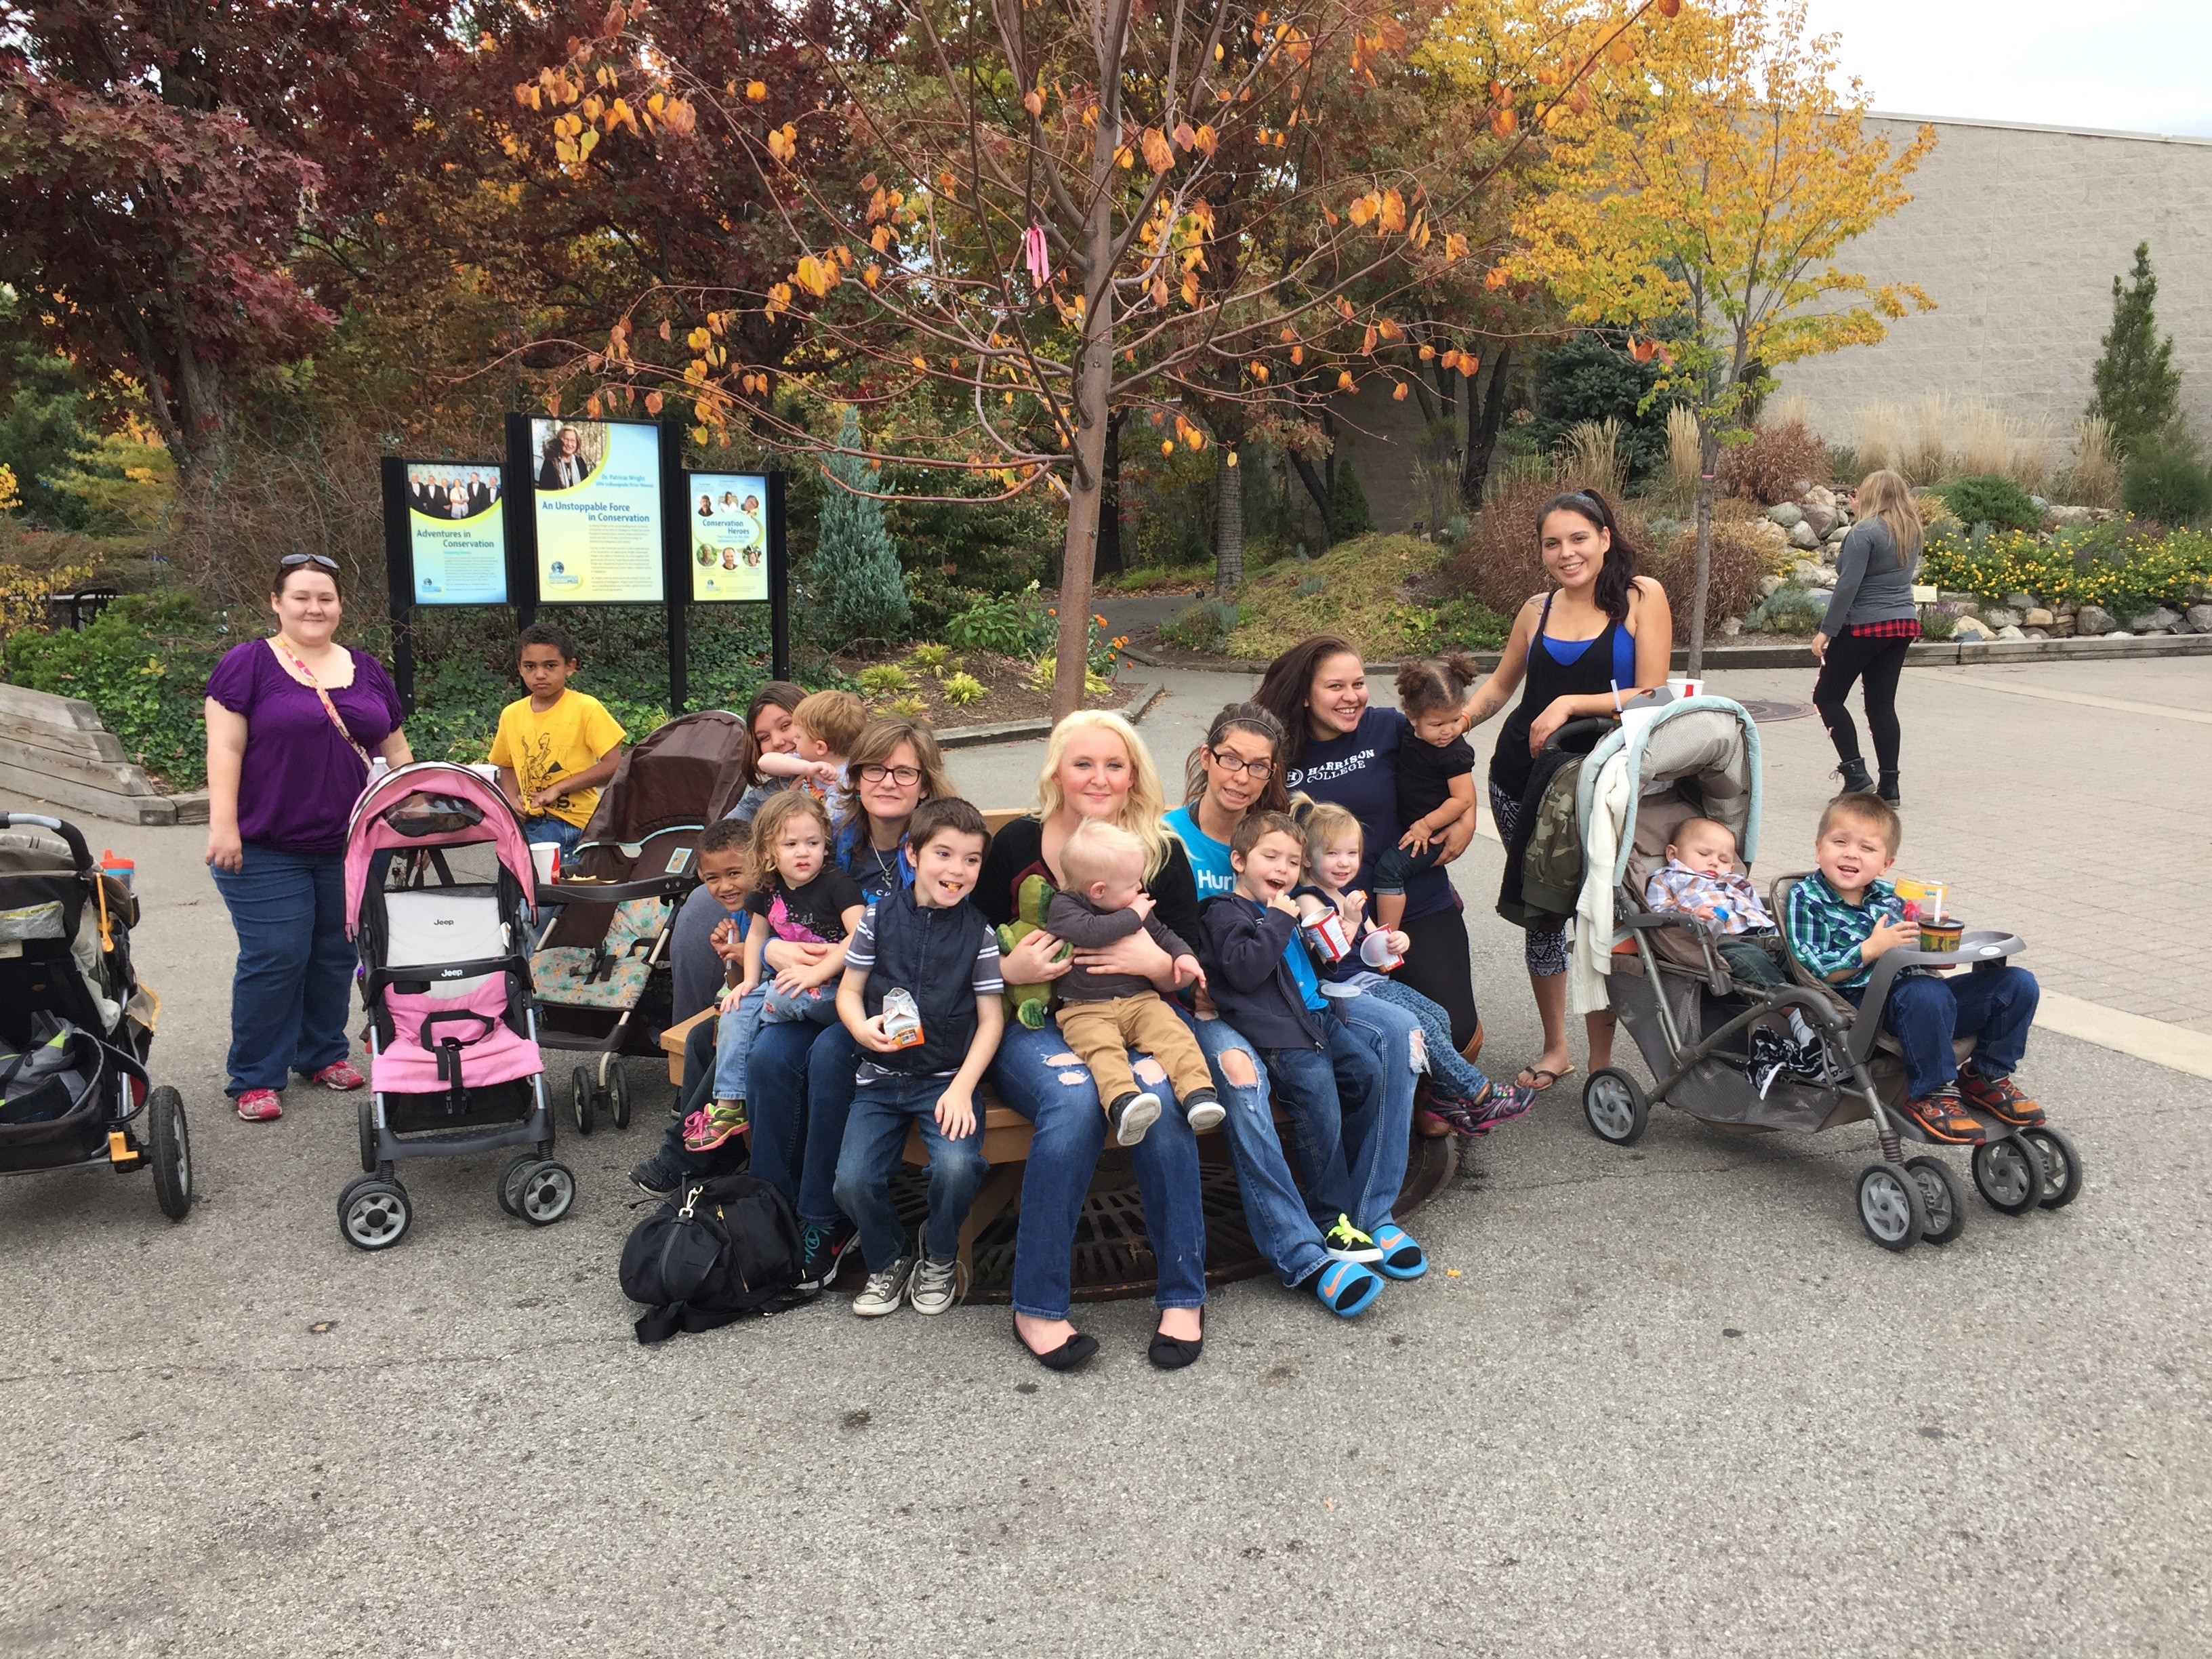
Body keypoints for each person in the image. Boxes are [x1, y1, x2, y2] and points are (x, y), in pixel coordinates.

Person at [976, 712, 1223, 1370]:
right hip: (1034, 1023)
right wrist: (1008, 970)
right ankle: (1037, 1304)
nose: (1098, 777)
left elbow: (1187, 955)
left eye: (1115, 764)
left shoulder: (1158, 851)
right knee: (1075, 1101)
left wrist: (1151, 962)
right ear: (1057, 770)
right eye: (1083, 763)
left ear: (1134, 774)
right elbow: (960, 941)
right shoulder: (1018, 845)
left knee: (1163, 1099)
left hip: (1134, 1011)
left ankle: (1182, 1293)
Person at [1160, 701, 1399, 1308]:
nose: (1241, 776)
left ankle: (1370, 1213)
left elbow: (1325, 898)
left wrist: (1350, 922)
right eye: (1230, 760)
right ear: (1206, 758)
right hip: (1216, 1004)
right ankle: (1303, 1247)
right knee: (1245, 1079)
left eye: (1258, 767)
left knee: (1396, 1038)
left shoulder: (1278, 835)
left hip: (1303, 995)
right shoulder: (1170, 839)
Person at [1462, 489, 1673, 1091]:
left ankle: (1604, 1063)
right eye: (1552, 543)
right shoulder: (1536, 610)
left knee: (1602, 916)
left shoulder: (1641, 597)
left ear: (1606, 537)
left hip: (1605, 789)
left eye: (1579, 538)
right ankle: (1557, 1048)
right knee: (1545, 913)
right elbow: (1500, 689)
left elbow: (1655, 694)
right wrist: (1453, 724)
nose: (1567, 553)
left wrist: (1571, 703)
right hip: (1521, 785)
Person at [203, 554, 411, 1122]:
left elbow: (395, 751)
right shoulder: (248, 665)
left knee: (335, 953)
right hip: (265, 842)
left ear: (340, 606)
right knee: (276, 955)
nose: (314, 607)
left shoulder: (366, 670)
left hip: (349, 843)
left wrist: (406, 811)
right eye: (301, 597)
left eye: (325, 597)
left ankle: (320, 1053)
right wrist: (224, 825)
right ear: (276, 603)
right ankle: (255, 1076)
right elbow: (225, 747)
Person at [1195, 813, 1424, 1291]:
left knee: (1367, 1073)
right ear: (1238, 860)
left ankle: (1360, 1204)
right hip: (1277, 1035)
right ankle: (1330, 1217)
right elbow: (1245, 971)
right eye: (1270, 857)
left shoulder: (1284, 911)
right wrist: (1279, 917)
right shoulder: (1224, 911)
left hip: (1315, 1020)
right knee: (1318, 1100)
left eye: (1294, 862)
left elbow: (1329, 957)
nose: (1283, 868)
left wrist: (1350, 926)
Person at [1254, 637, 1482, 1053]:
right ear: (1306, 695)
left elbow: (1451, 763)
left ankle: (1436, 1092)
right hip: (1330, 916)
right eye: (1335, 686)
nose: (1351, 697)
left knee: (1456, 1029)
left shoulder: (1389, 727)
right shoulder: (1279, 752)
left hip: (1414, 899)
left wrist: (1467, 820)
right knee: (1359, 1025)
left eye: (1358, 684)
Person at [1782, 792, 2043, 1142]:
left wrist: (1931, 938)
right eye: (1839, 842)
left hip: (1920, 999)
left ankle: (1987, 1075)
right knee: (1925, 992)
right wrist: (1870, 949)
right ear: (1819, 849)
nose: (1850, 853)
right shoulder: (1806, 897)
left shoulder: (1890, 897)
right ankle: (1930, 1093)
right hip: (1861, 1007)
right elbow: (1813, 967)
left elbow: (1918, 950)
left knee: (2016, 984)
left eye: (1867, 848)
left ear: (1886, 864)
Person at [831, 798, 1004, 1317]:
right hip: (880, 1078)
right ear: (912, 853)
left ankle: (941, 1251)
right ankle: (888, 1258)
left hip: (947, 1080)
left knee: (957, 1166)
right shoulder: (878, 919)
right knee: (852, 1181)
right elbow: (849, 990)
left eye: (971, 860)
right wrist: (860, 1025)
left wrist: (961, 1087)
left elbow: (991, 1019)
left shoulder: (981, 935)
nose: (957, 870)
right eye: (944, 854)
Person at [1298, 802, 1536, 1136]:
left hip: (1368, 978)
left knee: (1439, 1015)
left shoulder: (1347, 894)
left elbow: (1372, 949)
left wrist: (1395, 942)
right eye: (1333, 853)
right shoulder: (1309, 898)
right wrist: (1351, 922)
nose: (1344, 862)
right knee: (1422, 1023)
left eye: (1352, 853)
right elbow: (1329, 954)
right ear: (1308, 858)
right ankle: (1479, 1092)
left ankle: (1443, 1097)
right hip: (1344, 989)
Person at [687, 791, 864, 1153]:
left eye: (812, 842)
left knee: (778, 996)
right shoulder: (770, 888)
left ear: (825, 844)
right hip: (789, 987)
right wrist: (749, 980)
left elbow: (862, 937)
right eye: (791, 844)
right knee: (736, 1007)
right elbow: (757, 935)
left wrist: (817, 974)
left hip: (839, 991)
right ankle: (730, 1104)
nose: (803, 852)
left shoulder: (837, 884)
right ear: (768, 851)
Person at [1044, 819, 1219, 1145]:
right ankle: (1124, 1103)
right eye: (1131, 883)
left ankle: (1198, 1093)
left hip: (1140, 1001)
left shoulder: (1130, 903)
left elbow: (1164, 934)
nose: (1139, 887)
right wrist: (1135, 916)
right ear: (1098, 890)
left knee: (1174, 1034)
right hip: (1085, 1009)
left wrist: (1182, 955)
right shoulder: (1065, 906)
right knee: (1102, 1050)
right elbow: (1092, 933)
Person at [665, 682, 806, 1022]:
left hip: (817, 888)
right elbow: (723, 835)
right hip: (765, 880)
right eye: (764, 737)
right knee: (701, 902)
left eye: (785, 726)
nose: (777, 742)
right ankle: (689, 1028)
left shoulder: (840, 774)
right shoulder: (766, 787)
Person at [1813, 470, 1923, 806]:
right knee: (1881, 704)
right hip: (1902, 624)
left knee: (1827, 696)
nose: (1852, 498)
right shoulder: (1911, 530)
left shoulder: (1865, 532)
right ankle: (1890, 786)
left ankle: (1855, 773)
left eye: (1858, 493)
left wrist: (1826, 630)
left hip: (1864, 624)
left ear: (1871, 495)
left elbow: (1848, 583)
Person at [488, 622, 627, 861]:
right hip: (532, 825)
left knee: (569, 893)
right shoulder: (511, 714)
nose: (540, 674)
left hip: (579, 825)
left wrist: (559, 788)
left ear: (569, 667)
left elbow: (614, 764)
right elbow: (506, 764)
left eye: (550, 666)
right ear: (519, 669)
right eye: (530, 666)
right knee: (528, 893)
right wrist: (512, 800)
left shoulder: (586, 708)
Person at [1372, 653, 1481, 936]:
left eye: (1456, 720)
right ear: (1412, 718)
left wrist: (1427, 825)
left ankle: (1386, 941)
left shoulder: (1454, 753)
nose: (1449, 731)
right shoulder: (1408, 733)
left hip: (1433, 833)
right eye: (1437, 725)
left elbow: (1462, 799)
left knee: (1389, 871)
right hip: (1414, 825)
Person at [1643, 816, 1786, 989]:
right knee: (1751, 959)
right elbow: (1657, 912)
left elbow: (1757, 907)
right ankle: (1789, 1006)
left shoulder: (1734, 880)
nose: (1714, 862)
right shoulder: (1667, 878)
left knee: (1796, 945)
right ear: (1673, 854)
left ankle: (1818, 992)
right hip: (1721, 942)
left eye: (1724, 860)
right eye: (1704, 854)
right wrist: (1689, 916)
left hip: (1765, 932)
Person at [759, 689, 867, 816]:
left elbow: (830, 827)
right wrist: (807, 768)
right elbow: (765, 762)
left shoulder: (842, 783)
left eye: (799, 737)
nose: (794, 740)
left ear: (820, 747)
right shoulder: (809, 761)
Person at [538, 425, 586, 489]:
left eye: (573, 440)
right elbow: (544, 488)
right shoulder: (550, 462)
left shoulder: (580, 461)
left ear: (577, 443)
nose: (569, 444)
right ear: (559, 441)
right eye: (566, 439)